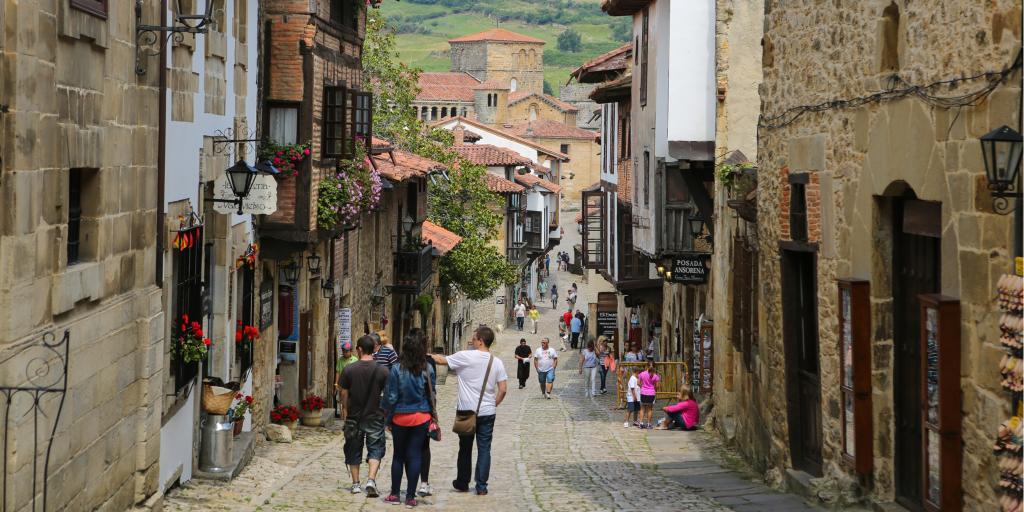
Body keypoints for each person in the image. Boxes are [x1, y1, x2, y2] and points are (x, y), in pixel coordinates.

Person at [430, 327, 508, 496]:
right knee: (484, 448)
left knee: (465, 448)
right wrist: (493, 404)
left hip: (466, 411)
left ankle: (463, 482)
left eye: (474, 338)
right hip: (487, 412)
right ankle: (481, 486)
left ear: (480, 340)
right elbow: (503, 389)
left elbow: (441, 360)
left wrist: (424, 355)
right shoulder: (497, 362)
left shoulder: (465, 356)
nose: (472, 340)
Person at [381, 330, 435, 507]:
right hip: (421, 417)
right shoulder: (428, 368)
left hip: (400, 417)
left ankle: (395, 494)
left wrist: (387, 418)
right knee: (415, 456)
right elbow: (432, 393)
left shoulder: (396, 369)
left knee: (398, 456)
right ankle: (411, 497)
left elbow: (391, 397)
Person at [340, 335, 391, 497]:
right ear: (374, 349)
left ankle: (355, 484)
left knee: (353, 448)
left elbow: (343, 393)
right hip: (375, 415)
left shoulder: (349, 369)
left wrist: (345, 411)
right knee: (375, 448)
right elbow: (388, 395)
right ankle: (371, 479)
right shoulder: (383, 370)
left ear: (360, 349)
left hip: (354, 416)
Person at [334, 341, 358, 417]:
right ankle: (343, 418)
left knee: (351, 401)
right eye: (343, 351)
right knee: (343, 402)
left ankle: (350, 416)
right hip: (343, 383)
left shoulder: (355, 360)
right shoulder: (340, 360)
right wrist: (336, 383)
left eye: (347, 351)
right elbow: (338, 372)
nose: (345, 353)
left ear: (351, 351)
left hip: (352, 383)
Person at [637, 361, 661, 429]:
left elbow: (638, 383)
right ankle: (648, 424)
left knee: (642, 408)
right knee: (650, 409)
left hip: (643, 393)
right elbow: (657, 386)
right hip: (651, 393)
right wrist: (653, 389)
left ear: (646, 366)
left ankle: (641, 423)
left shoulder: (642, 374)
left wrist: (643, 387)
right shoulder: (656, 376)